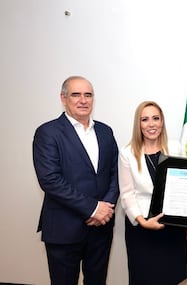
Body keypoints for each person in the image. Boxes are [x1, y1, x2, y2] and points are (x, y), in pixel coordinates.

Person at [32, 76, 119, 285]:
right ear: (63, 98)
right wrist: (93, 209)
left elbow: (116, 173)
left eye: (88, 95)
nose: (83, 100)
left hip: (101, 229)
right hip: (64, 229)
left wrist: (104, 209)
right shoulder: (48, 132)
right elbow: (50, 180)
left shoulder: (105, 132)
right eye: (76, 94)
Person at [118, 101, 187, 285]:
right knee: (145, 278)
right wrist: (143, 222)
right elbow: (127, 195)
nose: (151, 124)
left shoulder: (175, 148)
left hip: (171, 228)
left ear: (162, 122)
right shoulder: (127, 153)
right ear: (138, 124)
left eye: (155, 118)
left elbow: (185, 183)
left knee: (173, 278)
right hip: (142, 228)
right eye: (145, 119)